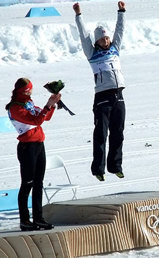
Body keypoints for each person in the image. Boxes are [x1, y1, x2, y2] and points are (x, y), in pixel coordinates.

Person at [73, 1, 126, 181]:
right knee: (101, 134)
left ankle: (115, 166)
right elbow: (83, 35)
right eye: (102, 38)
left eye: (107, 38)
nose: (106, 40)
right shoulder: (92, 53)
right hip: (102, 97)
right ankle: (98, 169)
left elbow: (120, 30)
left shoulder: (115, 49)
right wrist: (78, 15)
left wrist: (121, 12)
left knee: (118, 133)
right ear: (97, 41)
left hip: (119, 95)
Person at [5, 78, 61, 231]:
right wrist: (47, 106)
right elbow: (36, 120)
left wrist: (52, 104)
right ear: (21, 90)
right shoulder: (15, 107)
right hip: (27, 147)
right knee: (27, 184)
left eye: (31, 89)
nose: (30, 92)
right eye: (28, 90)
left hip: (38, 145)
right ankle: (24, 220)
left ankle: (39, 218)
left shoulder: (28, 102)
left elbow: (45, 117)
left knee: (38, 184)